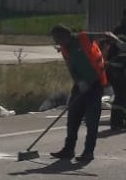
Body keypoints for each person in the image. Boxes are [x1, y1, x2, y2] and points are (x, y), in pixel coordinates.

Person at [49, 25, 116, 163]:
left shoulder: (83, 37)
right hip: (80, 85)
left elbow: (107, 34)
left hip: (95, 84)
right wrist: (79, 82)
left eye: (58, 39)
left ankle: (88, 152)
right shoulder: (65, 49)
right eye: (55, 40)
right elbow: (71, 69)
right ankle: (68, 149)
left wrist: (120, 43)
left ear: (66, 35)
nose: (57, 42)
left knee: (91, 121)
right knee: (72, 118)